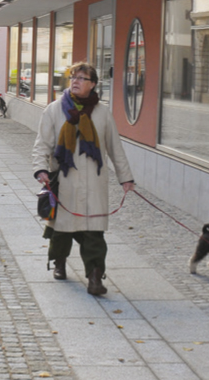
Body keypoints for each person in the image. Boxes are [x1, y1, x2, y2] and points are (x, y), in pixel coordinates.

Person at [32, 62, 135, 297]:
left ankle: (95, 277)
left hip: (94, 184)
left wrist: (125, 177)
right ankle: (59, 261)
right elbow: (42, 145)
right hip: (64, 182)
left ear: (93, 84)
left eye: (82, 78)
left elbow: (115, 148)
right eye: (73, 77)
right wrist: (41, 170)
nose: (76, 81)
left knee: (94, 233)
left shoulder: (102, 113)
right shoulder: (53, 110)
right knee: (61, 231)